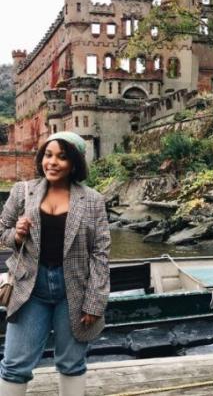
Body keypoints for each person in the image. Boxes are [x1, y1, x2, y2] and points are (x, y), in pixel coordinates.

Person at [0, 132, 110, 396]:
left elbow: (100, 254)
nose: (53, 162)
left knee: (71, 364)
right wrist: (16, 234)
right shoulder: (23, 191)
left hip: (74, 291)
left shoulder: (92, 199)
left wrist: (95, 302)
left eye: (62, 157)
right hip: (30, 289)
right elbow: (1, 230)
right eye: (48, 155)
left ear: (74, 163)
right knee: (14, 365)